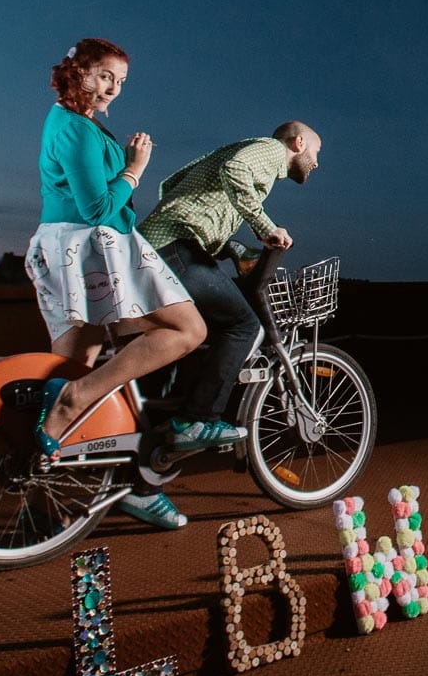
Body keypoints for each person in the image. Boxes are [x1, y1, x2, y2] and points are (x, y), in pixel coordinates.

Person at [27, 37, 206, 531]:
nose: (113, 89)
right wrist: (134, 168)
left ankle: (48, 502)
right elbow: (98, 210)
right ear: (78, 71)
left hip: (65, 250)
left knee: (70, 366)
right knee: (186, 330)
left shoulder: (69, 121)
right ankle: (80, 404)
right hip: (89, 248)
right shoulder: (77, 130)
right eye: (105, 76)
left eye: (120, 82)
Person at [136, 121, 323, 438]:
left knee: (196, 329)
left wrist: (231, 247)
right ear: (299, 143)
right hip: (174, 245)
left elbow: (170, 186)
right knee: (244, 326)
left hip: (158, 245)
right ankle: (196, 420)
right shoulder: (271, 150)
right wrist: (265, 227)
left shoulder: (240, 150)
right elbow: (235, 170)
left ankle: (158, 428)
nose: (317, 163)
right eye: (317, 153)